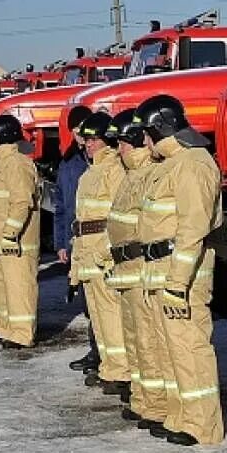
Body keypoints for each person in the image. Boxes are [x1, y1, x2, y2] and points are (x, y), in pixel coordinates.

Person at [133, 95, 224, 446]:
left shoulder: (193, 164)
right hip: (160, 271)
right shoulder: (172, 164)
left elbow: (192, 228)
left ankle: (202, 426)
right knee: (170, 350)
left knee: (189, 349)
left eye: (146, 134)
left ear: (160, 129)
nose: (143, 142)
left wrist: (177, 282)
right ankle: (179, 415)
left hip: (181, 276)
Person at [105, 108, 164, 429]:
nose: (117, 151)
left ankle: (155, 405)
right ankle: (144, 400)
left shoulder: (148, 175)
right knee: (135, 340)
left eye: (122, 145)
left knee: (149, 341)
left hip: (141, 269)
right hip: (127, 268)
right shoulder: (131, 175)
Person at [70, 112, 131, 398]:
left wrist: (110, 252)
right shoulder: (90, 172)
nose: (88, 144)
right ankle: (110, 367)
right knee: (98, 316)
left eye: (94, 139)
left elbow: (118, 216)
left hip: (103, 253)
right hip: (87, 252)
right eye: (87, 139)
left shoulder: (114, 170)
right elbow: (81, 219)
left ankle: (122, 371)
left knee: (112, 315)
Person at [0, 115, 41, 349]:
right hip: (0, 243)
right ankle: (8, 329)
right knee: (5, 290)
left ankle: (21, 333)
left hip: (16, 244)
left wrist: (10, 233)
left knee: (18, 289)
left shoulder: (17, 163)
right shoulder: (1, 163)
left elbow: (20, 202)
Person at [56, 105, 96, 374]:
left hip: (97, 242)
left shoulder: (101, 158)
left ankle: (104, 355)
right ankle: (96, 350)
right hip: (75, 240)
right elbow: (61, 204)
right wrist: (61, 241)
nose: (79, 133)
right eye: (76, 128)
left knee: (101, 305)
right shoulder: (69, 162)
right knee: (87, 302)